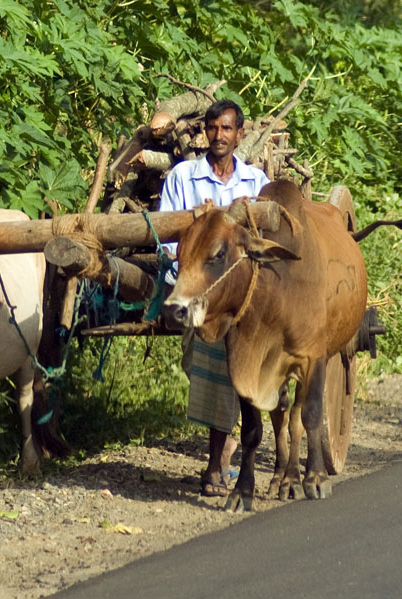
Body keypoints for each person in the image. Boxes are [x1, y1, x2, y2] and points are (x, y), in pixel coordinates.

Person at [158, 99, 270, 497]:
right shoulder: (183, 177)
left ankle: (217, 463)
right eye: (212, 128)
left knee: (230, 358)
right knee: (209, 359)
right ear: (204, 133)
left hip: (243, 297)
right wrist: (199, 228)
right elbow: (164, 241)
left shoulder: (256, 183)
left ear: (240, 135)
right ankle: (222, 453)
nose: (219, 135)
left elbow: (263, 245)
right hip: (194, 289)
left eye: (226, 128)